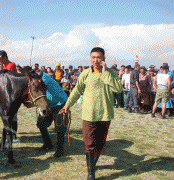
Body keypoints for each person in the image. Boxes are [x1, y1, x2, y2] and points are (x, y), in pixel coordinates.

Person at [63, 47, 123, 180]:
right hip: (89, 114)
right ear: (90, 58)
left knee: (100, 144)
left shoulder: (111, 73)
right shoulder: (85, 74)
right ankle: (91, 173)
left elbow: (118, 89)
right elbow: (77, 90)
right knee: (89, 143)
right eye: (93, 57)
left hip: (105, 114)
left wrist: (105, 72)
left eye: (99, 57)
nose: (96, 60)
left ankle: (92, 164)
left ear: (104, 59)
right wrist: (68, 104)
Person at [22, 66, 69, 158]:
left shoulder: (42, 79)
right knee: (41, 124)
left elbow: (41, 93)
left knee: (59, 127)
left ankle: (60, 149)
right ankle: (48, 144)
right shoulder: (36, 79)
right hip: (49, 105)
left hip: (60, 103)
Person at [0, 50, 18, 148]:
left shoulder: (11, 65)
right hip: (6, 94)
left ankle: (13, 134)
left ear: (4, 57)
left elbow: (10, 81)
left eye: (0, 58)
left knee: (12, 115)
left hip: (11, 94)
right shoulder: (4, 66)